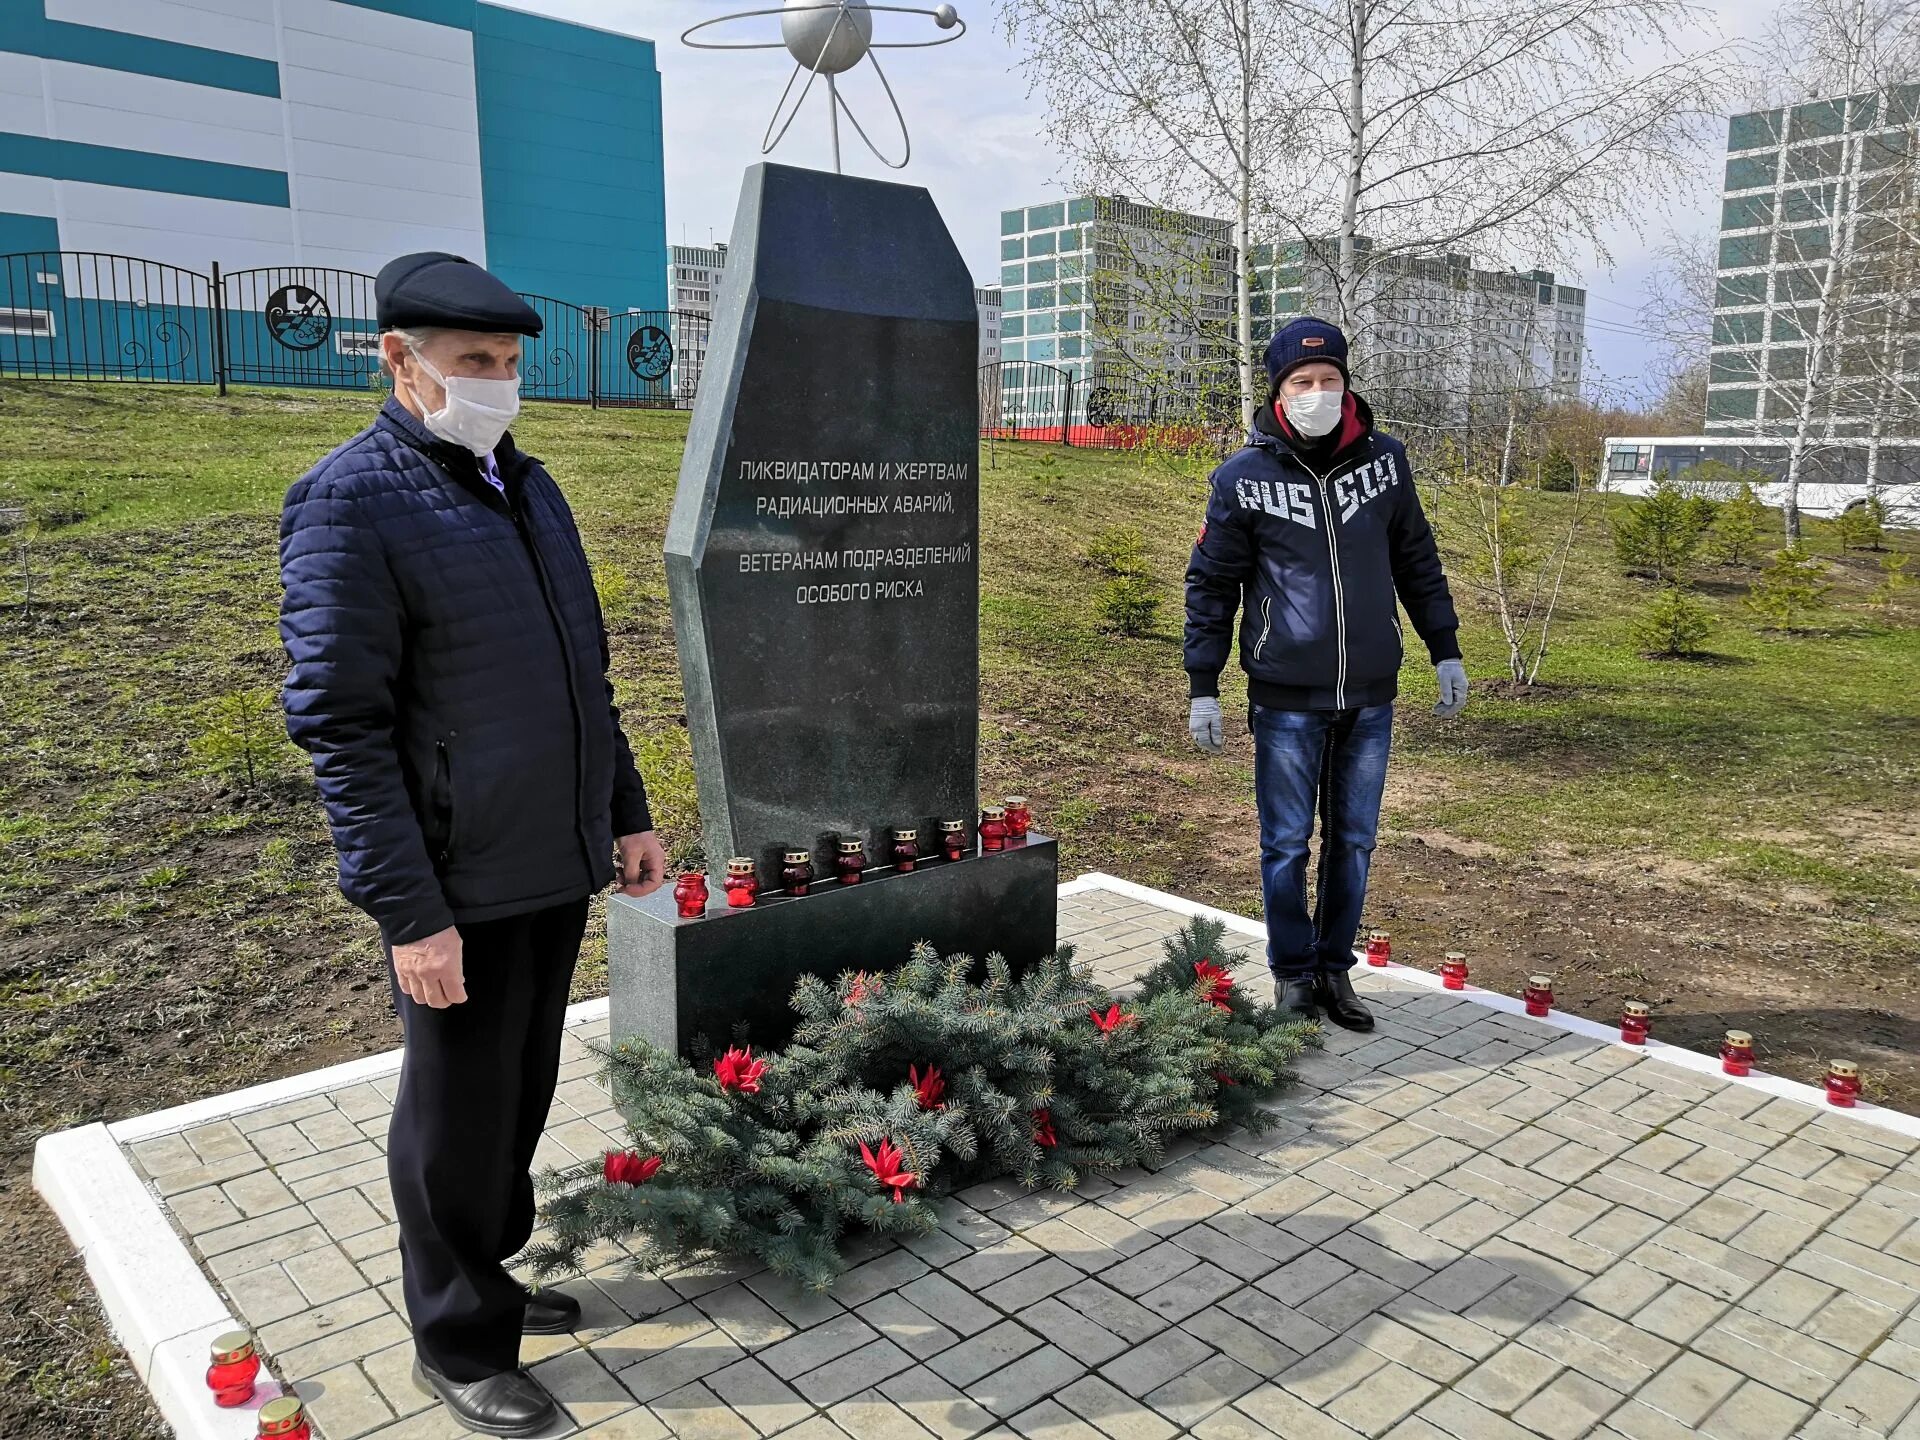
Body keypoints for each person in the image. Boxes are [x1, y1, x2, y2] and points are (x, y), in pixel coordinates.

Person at [279, 252, 667, 1437]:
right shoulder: (349, 501)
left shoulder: (526, 486)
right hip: (455, 878)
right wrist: (409, 912)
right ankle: (454, 1341)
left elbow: (578, 676)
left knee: (519, 1092)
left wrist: (628, 811)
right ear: (399, 361)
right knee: (454, 1117)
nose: (496, 383)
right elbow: (342, 728)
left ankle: (488, 1280)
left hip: (550, 856)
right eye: (471, 364)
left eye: (507, 365)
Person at [1184, 316, 1466, 1032]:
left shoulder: (1386, 465)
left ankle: (1336, 970)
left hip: (1371, 693)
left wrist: (1445, 645)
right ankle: (1292, 975)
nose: (1318, 392)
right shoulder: (1242, 478)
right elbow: (1211, 585)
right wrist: (1203, 687)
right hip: (1285, 697)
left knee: (1355, 842)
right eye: (1303, 382)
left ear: (1346, 385)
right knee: (1285, 844)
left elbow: (1417, 561)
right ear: (1280, 390)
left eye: (1329, 380)